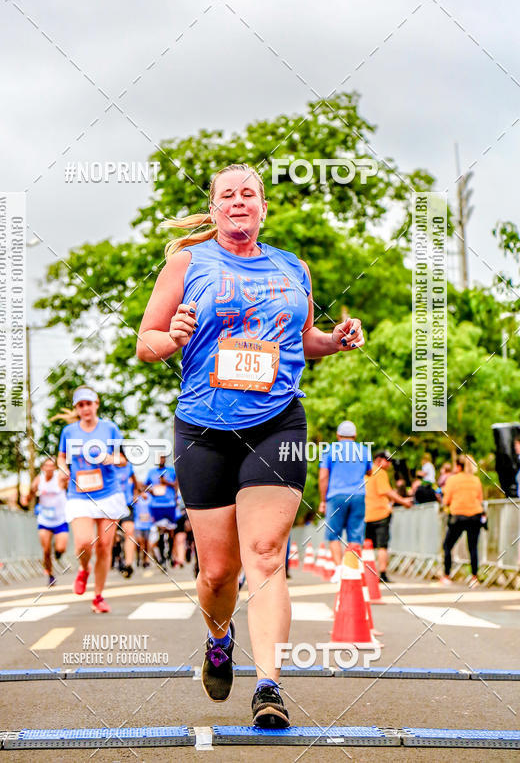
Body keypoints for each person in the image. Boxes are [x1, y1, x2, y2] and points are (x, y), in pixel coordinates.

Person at [136, 162, 364, 728]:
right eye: (227, 195)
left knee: (265, 556)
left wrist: (335, 341)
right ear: (214, 209)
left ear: (263, 207)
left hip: (277, 422)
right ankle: (219, 637)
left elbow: (303, 339)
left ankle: (269, 688)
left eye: (250, 194)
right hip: (204, 428)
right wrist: (175, 337)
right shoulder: (187, 263)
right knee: (217, 573)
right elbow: (146, 343)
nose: (239, 201)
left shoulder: (293, 267)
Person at [54, 386, 130, 613]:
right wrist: (62, 471)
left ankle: (98, 596)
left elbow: (123, 460)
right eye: (80, 405)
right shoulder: (69, 431)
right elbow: (61, 457)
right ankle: (83, 568)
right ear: (77, 409)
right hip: (79, 494)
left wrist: (110, 458)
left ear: (96, 403)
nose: (85, 408)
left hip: (108, 492)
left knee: (105, 546)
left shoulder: (110, 429)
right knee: (84, 542)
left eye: (88, 403)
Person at [318, 421, 372, 582]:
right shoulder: (363, 450)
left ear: (338, 435)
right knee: (355, 533)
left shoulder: (329, 450)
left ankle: (339, 569)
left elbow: (323, 477)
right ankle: (353, 569)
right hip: (358, 496)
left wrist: (323, 500)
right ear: (355, 436)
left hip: (336, 496)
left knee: (333, 533)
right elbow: (369, 471)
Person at [364, 450, 412, 582]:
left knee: (366, 545)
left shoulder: (365, 472)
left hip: (365, 514)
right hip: (380, 514)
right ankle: (383, 574)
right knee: (382, 546)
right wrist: (403, 501)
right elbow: (387, 492)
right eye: (388, 460)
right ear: (379, 460)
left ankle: (364, 573)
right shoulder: (379, 472)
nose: (390, 463)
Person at [441, 455, 484, 588]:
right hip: (475, 516)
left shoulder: (452, 480)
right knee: (472, 547)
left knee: (447, 545)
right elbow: (480, 499)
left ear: (458, 466)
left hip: (458, 516)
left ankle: (447, 575)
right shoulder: (476, 480)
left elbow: (446, 500)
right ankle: (474, 577)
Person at [27, 458, 69, 586]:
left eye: (52, 466)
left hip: (60, 519)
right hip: (45, 519)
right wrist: (28, 496)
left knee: (61, 547)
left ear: (55, 468)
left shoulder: (60, 478)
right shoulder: (39, 480)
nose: (49, 468)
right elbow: (31, 494)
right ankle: (50, 575)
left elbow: (69, 484)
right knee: (45, 550)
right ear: (43, 468)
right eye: (47, 466)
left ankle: (58, 552)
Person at [145, 454, 178, 568]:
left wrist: (166, 482)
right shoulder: (151, 472)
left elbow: (176, 485)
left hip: (169, 505)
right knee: (159, 531)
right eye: (159, 458)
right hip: (156, 505)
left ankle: (170, 553)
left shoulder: (171, 471)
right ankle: (162, 558)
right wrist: (151, 491)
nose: (161, 460)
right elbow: (146, 486)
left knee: (171, 531)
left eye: (163, 457)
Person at [117, 456, 139, 578]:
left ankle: (129, 564)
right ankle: (118, 558)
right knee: (112, 538)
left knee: (129, 531)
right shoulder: (107, 467)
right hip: (111, 506)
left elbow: (135, 483)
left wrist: (135, 494)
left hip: (127, 505)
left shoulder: (128, 467)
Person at [133, 488, 154, 567]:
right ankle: (138, 557)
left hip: (147, 524)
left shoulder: (150, 498)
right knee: (139, 541)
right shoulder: (137, 498)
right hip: (138, 524)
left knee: (145, 542)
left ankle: (145, 559)